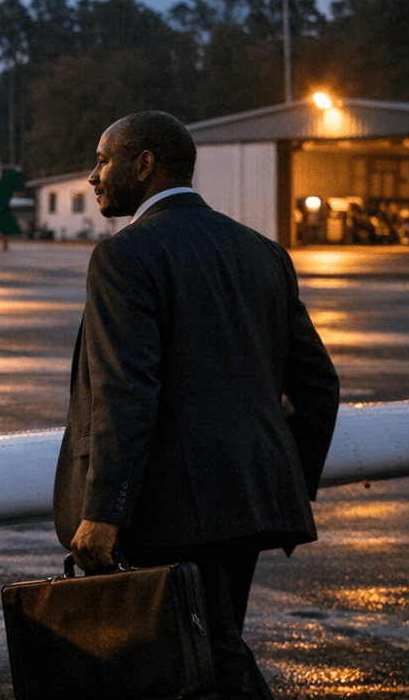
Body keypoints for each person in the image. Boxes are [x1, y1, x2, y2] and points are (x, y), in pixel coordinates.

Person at [53, 111, 339, 700]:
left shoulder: (125, 256)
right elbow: (318, 386)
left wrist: (105, 512)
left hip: (169, 514)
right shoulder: (263, 252)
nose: (93, 176)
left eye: (103, 161)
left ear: (144, 165)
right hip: (248, 503)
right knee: (198, 664)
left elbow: (126, 391)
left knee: (209, 663)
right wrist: (281, 478)